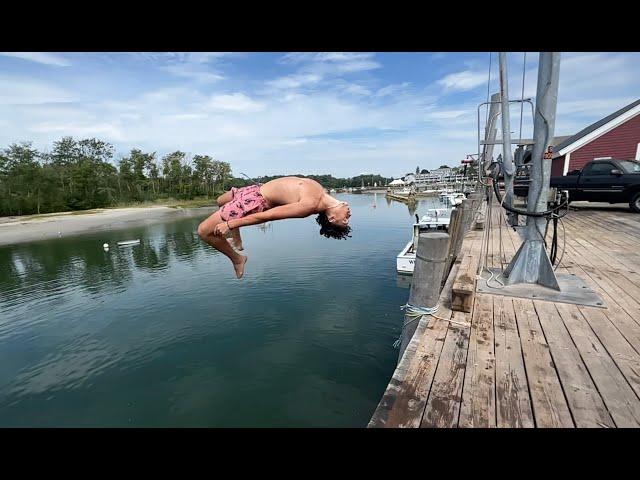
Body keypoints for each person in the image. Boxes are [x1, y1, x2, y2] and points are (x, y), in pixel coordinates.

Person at [197, 176, 352, 278]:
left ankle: (237, 259)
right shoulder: (321, 192)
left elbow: (268, 215)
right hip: (255, 189)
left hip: (256, 201)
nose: (349, 216)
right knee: (220, 201)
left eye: (345, 221)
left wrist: (231, 224)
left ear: (332, 218)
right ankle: (237, 241)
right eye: (347, 219)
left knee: (204, 231)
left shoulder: (308, 207)